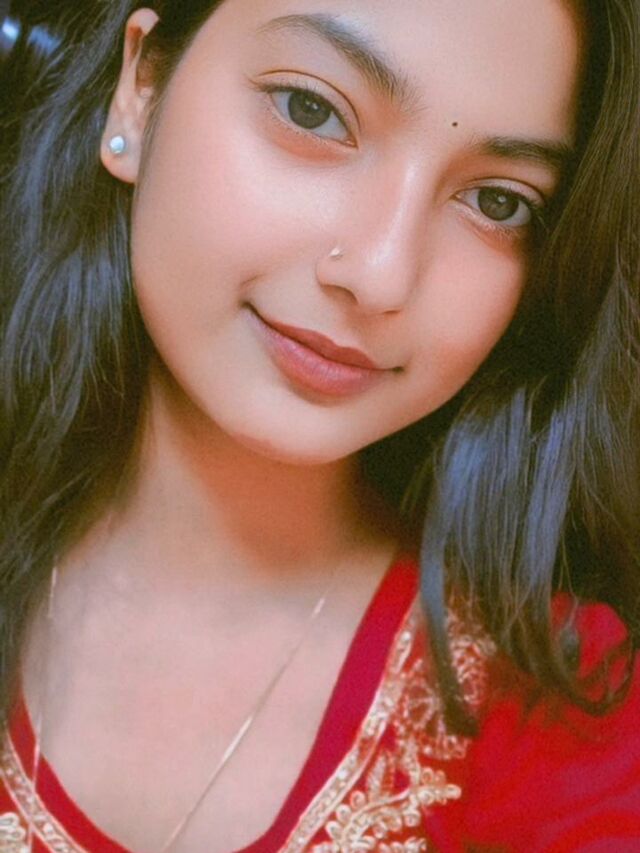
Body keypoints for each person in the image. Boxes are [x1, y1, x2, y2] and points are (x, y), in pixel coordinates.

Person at [0, 0, 639, 850]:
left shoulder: (568, 720)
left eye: (496, 200)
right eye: (312, 111)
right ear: (141, 91)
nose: (382, 274)